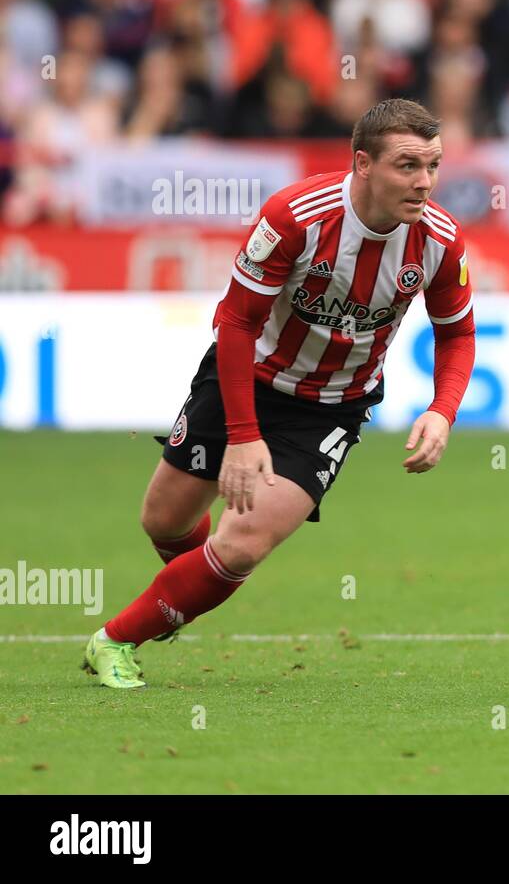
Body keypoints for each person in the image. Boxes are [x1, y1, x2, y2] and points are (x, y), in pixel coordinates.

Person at [82, 99, 475, 688]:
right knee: (163, 522)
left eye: (433, 166)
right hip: (245, 377)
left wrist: (443, 411)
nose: (424, 183)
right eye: (408, 166)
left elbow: (458, 332)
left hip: (332, 407)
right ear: (362, 164)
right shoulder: (295, 216)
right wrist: (242, 435)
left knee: (239, 546)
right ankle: (185, 591)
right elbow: (236, 324)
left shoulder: (440, 240)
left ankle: (114, 640)